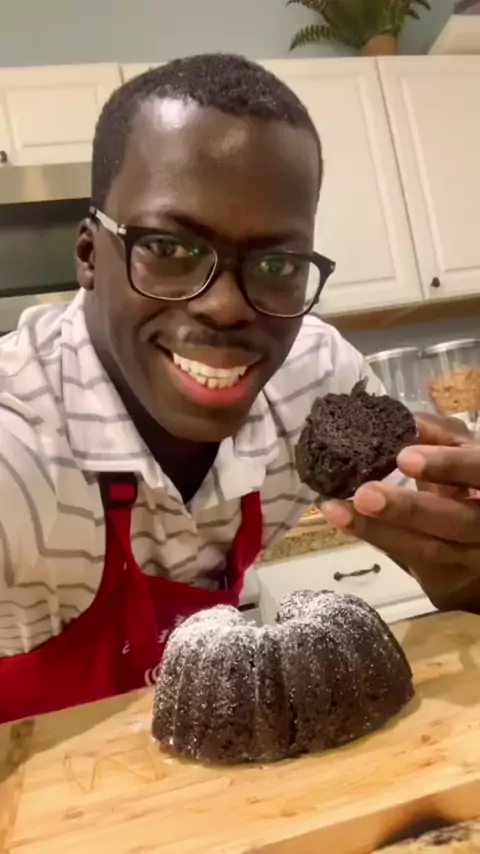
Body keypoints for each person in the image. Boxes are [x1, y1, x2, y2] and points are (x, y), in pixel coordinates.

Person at [0, 54, 478, 723]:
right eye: (170, 249)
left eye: (278, 264)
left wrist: (464, 560)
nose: (226, 307)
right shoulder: (20, 445)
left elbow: (437, 520)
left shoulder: (315, 384)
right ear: (88, 255)